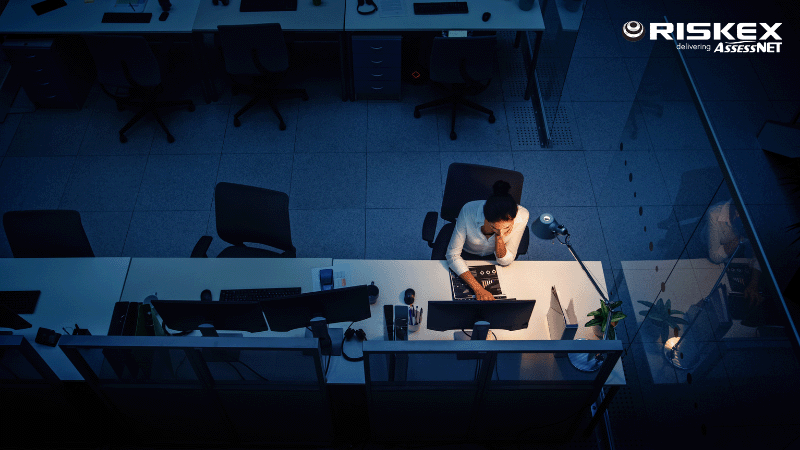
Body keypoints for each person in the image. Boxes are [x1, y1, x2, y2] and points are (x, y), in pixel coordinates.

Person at [446, 180, 529, 301]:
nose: (500, 231)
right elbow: (452, 255)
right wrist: (478, 289)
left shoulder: (522, 216)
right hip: (467, 252)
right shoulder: (469, 210)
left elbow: (505, 261)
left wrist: (499, 237)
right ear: (485, 217)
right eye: (494, 227)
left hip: (493, 258)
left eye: (506, 227)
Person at [704, 199, 762, 308]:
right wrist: (741, 238)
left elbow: (759, 253)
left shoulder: (755, 215)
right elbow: (715, 256)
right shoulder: (714, 213)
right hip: (703, 249)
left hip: (734, 254)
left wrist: (754, 283)